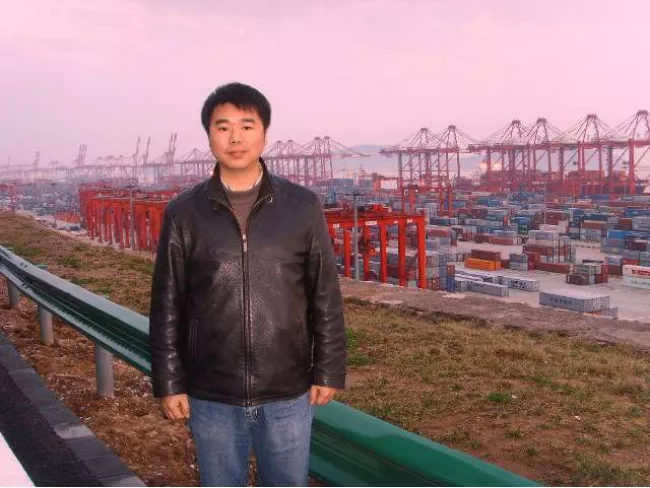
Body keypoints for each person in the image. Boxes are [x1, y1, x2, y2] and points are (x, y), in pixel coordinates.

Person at [148, 82, 347, 487]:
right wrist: (170, 383)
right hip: (211, 392)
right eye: (223, 127)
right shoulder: (184, 213)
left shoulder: (302, 206)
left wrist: (328, 370)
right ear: (209, 136)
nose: (235, 138)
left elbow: (324, 293)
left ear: (265, 134)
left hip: (287, 389)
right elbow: (167, 302)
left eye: (246, 125)